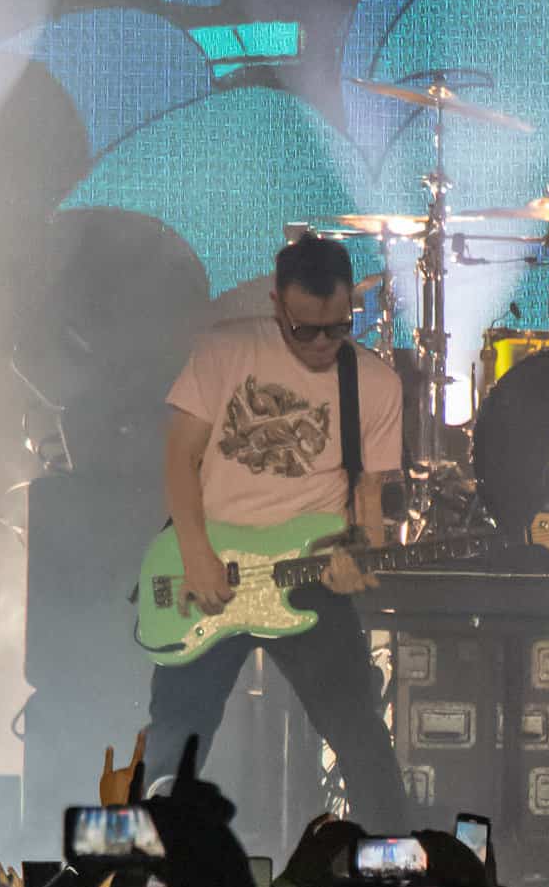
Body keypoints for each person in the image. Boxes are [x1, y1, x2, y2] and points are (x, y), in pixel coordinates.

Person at [140, 234, 410, 831]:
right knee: (176, 737)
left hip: (308, 574)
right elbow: (179, 459)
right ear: (276, 305)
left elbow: (368, 498)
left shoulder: (375, 383)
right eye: (303, 330)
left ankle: (395, 865)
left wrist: (361, 557)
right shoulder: (224, 351)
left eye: (337, 329)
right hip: (208, 567)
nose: (321, 344)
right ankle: (150, 865)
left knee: (359, 733)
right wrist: (196, 555)